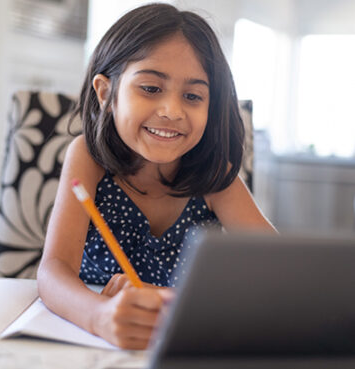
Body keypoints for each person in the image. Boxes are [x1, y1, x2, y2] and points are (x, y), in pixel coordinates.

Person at [37, 3, 276, 350]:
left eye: (193, 96)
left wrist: (171, 300)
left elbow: (278, 273)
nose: (172, 111)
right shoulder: (87, 157)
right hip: (92, 345)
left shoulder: (214, 175)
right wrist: (99, 316)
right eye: (150, 88)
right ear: (107, 94)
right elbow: (53, 270)